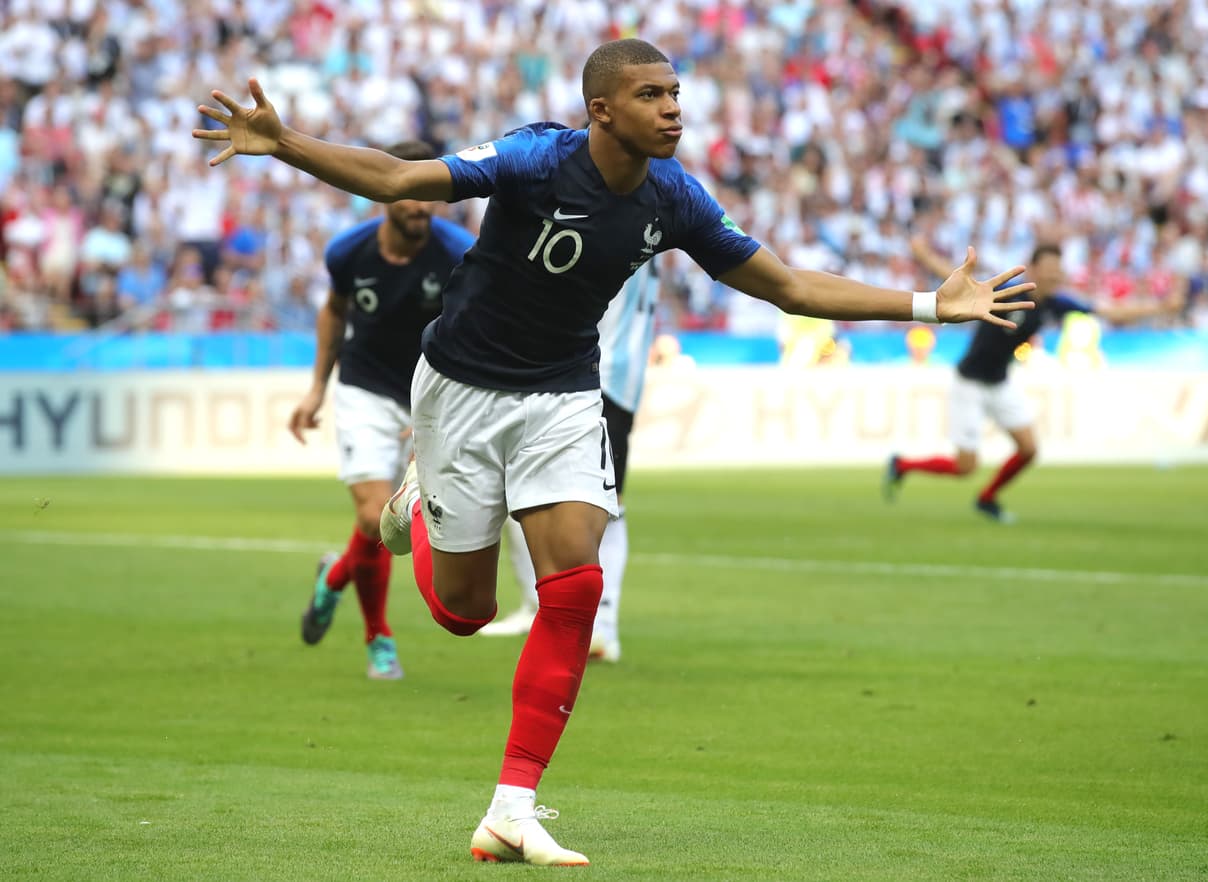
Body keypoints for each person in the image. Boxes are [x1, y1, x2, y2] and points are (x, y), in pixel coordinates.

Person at [194, 38, 1033, 866]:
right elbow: (400, 178)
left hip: (563, 395)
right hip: (459, 393)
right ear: (602, 109)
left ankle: (512, 809)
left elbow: (790, 288)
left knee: (576, 587)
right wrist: (287, 144)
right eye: (651, 96)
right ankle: (417, 502)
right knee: (464, 614)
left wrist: (929, 303)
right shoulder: (532, 159)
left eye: (675, 93)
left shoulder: (675, 198)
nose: (673, 109)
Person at [288, 140, 474, 680]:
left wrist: (441, 406)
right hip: (364, 388)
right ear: (386, 192)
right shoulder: (348, 252)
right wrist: (316, 388)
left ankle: (334, 577)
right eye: (411, 196)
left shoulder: (459, 252)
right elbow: (334, 312)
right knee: (374, 516)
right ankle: (379, 640)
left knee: (388, 526)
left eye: (429, 199)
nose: (420, 208)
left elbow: (469, 334)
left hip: (429, 395)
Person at [884, 236, 1174, 523]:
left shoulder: (1055, 304)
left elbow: (1109, 311)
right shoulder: (1009, 294)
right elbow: (958, 280)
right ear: (1034, 269)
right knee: (965, 467)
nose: (1054, 275)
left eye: (1058, 270)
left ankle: (987, 498)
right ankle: (902, 464)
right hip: (970, 382)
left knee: (1029, 449)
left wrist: (1161, 308)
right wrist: (922, 253)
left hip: (999, 381)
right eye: (1048, 268)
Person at [480, 258, 663, 663]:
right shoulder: (653, 216)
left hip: (590, 374)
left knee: (602, 504)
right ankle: (545, 608)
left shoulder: (623, 213)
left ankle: (601, 626)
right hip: (607, 375)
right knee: (527, 490)